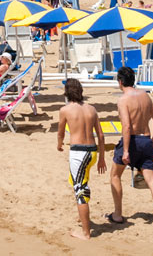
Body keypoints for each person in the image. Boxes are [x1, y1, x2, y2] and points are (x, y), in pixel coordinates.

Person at [107, 67, 153, 233]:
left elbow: (127, 126)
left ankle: (118, 214)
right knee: (151, 179)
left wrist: (126, 150)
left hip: (132, 141)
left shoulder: (123, 100)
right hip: (146, 139)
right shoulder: (144, 95)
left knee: (115, 175)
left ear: (120, 82)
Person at [57, 79, 106, 241]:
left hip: (79, 152)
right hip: (92, 152)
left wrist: (59, 145)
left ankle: (86, 233)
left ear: (67, 92)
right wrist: (102, 158)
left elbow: (61, 132)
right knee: (80, 181)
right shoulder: (91, 109)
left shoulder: (65, 110)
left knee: (80, 189)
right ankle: (83, 216)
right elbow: (100, 134)